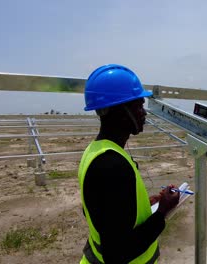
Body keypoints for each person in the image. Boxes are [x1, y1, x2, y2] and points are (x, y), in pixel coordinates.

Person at [78, 64, 180, 264]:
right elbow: (117, 254)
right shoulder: (112, 166)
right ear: (120, 109)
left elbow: (94, 210)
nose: (144, 113)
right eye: (139, 106)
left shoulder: (96, 151)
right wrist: (162, 212)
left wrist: (140, 206)